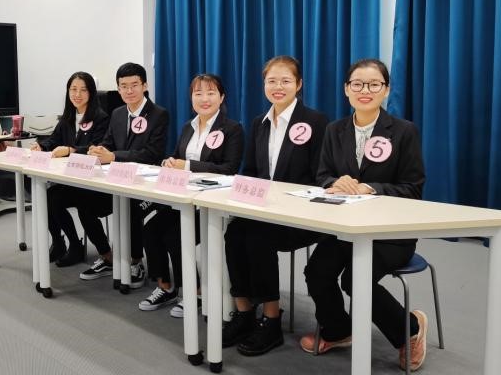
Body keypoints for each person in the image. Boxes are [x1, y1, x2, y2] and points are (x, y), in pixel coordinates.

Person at [301, 58, 428, 373]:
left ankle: (410, 329)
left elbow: (413, 188)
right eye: (357, 84)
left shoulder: (404, 131)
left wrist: (371, 188)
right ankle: (338, 330)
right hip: (346, 228)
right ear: (346, 89)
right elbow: (323, 175)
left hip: (390, 232)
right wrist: (335, 183)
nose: (365, 90)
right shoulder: (335, 130)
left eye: (374, 84)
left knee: (355, 280)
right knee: (316, 272)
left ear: (386, 90)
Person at [222, 56, 329, 356]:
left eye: (285, 81)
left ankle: (271, 320)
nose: (278, 87)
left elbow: (321, 176)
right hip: (264, 211)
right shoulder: (259, 123)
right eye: (271, 81)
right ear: (263, 85)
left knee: (258, 237)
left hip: (302, 216)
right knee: (234, 233)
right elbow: (251, 171)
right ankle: (244, 312)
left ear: (299, 84)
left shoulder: (315, 121)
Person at [138, 74, 244, 317]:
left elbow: (229, 169)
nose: (204, 99)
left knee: (176, 235)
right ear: (191, 98)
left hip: (213, 203)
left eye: (211, 93)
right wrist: (170, 163)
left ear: (222, 97)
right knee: (151, 228)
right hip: (185, 200)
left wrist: (186, 166)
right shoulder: (188, 127)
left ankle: (194, 292)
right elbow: (177, 157)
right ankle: (165, 286)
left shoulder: (232, 129)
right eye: (198, 94)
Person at [82, 62, 169, 290]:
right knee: (84, 202)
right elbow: (108, 143)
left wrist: (113, 156)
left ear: (145, 86)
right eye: (124, 86)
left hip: (145, 185)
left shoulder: (159, 114)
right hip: (116, 181)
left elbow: (152, 154)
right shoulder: (118, 113)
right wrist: (98, 150)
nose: (129, 91)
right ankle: (107, 255)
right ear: (118, 88)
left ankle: (136, 261)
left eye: (134, 85)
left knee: (131, 208)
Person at [31, 72, 110, 267]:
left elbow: (97, 147)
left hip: (93, 181)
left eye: (83, 90)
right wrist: (41, 146)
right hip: (71, 178)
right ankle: (61, 243)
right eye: (73, 89)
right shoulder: (68, 117)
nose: (77, 94)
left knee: (61, 200)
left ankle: (82, 247)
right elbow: (53, 140)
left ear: (91, 93)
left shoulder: (101, 118)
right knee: (47, 197)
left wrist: (70, 150)